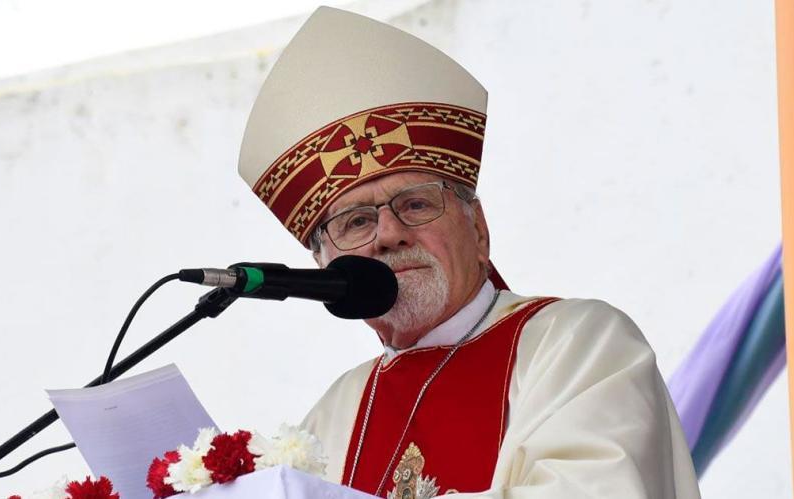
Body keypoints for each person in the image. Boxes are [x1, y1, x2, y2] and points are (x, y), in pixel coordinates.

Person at [236, 7, 700, 499]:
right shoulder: (339, 409)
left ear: (478, 230)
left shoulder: (576, 343)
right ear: (327, 265)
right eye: (357, 222)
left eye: (415, 204)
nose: (388, 234)